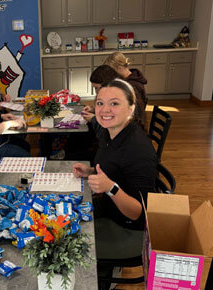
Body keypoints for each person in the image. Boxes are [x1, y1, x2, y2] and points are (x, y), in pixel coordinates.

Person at [72, 79, 157, 289]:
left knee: (67, 242)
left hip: (129, 230)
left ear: (131, 108)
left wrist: (110, 187)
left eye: (114, 103)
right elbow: (112, 168)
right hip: (110, 210)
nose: (104, 110)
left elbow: (139, 212)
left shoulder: (138, 150)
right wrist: (90, 172)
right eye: (100, 103)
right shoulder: (112, 133)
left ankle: (101, 276)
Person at [64, 65, 118, 163]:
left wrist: (93, 119)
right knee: (74, 137)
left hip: (107, 150)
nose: (96, 92)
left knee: (71, 153)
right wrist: (93, 110)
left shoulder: (116, 102)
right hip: (101, 142)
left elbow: (108, 131)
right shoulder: (109, 97)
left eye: (97, 88)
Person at [104, 52, 148, 127]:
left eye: (112, 72)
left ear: (120, 68)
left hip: (132, 126)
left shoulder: (133, 86)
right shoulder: (128, 79)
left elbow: (132, 114)